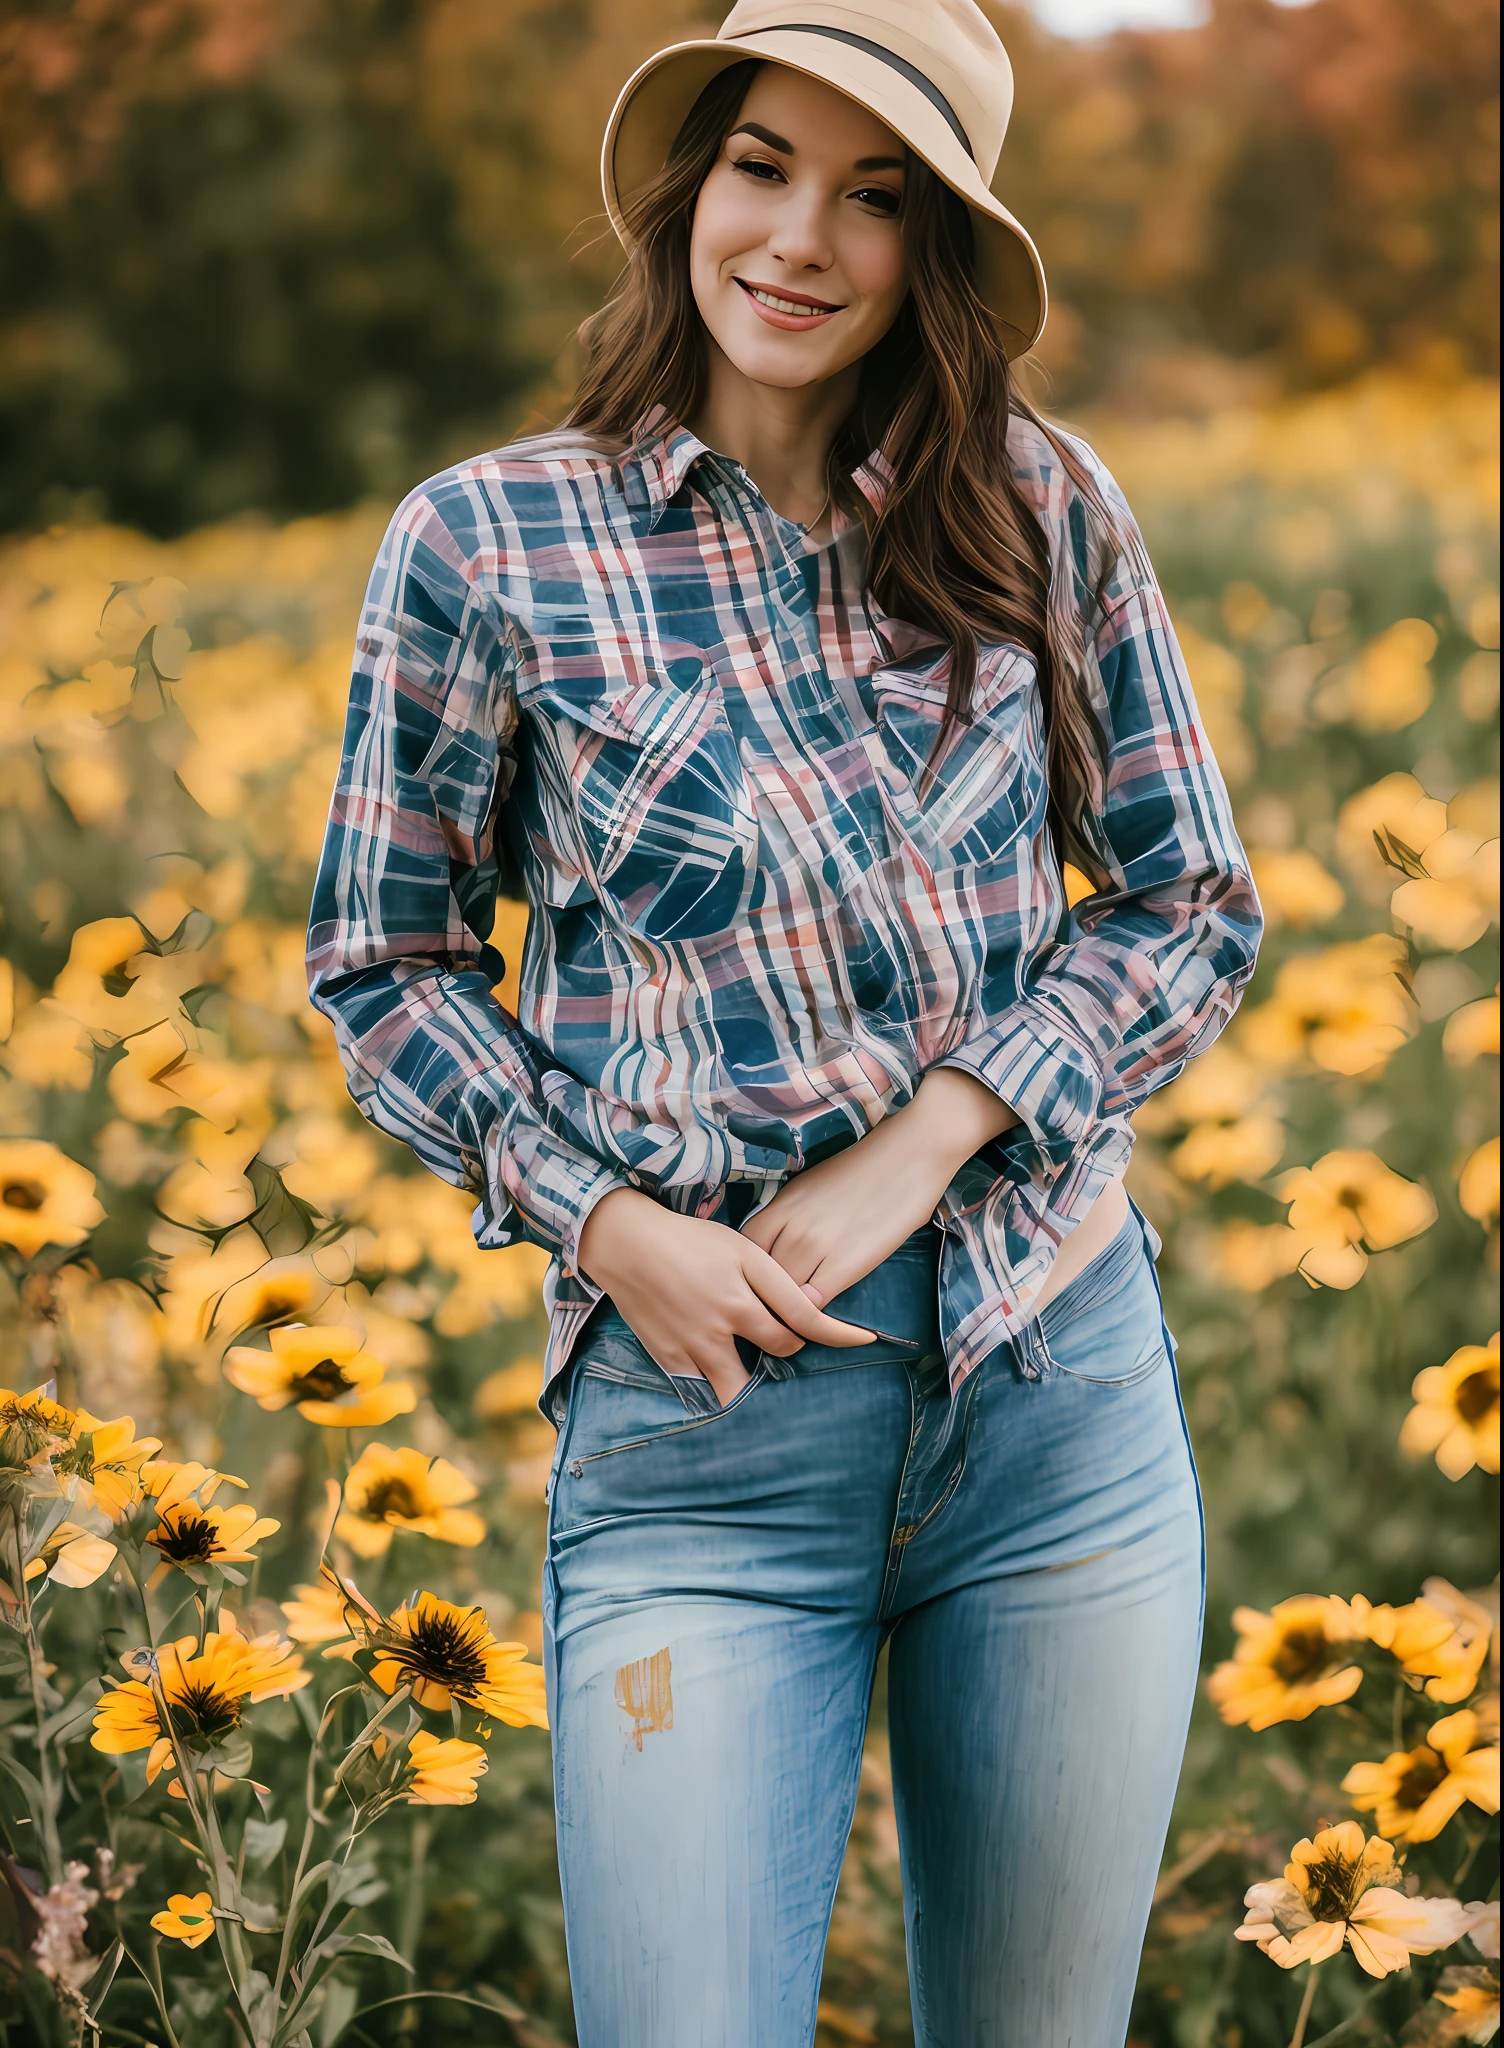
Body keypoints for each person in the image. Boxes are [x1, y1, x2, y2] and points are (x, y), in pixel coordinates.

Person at [306, 1, 1264, 2039]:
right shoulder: (489, 545)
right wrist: (605, 1224)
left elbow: (1187, 902)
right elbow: (381, 967)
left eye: (876, 194)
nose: (799, 239)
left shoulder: (1037, 502)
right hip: (701, 1445)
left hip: (1054, 1402)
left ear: (937, 253)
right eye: (760, 165)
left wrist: (927, 1135)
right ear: (688, 186)